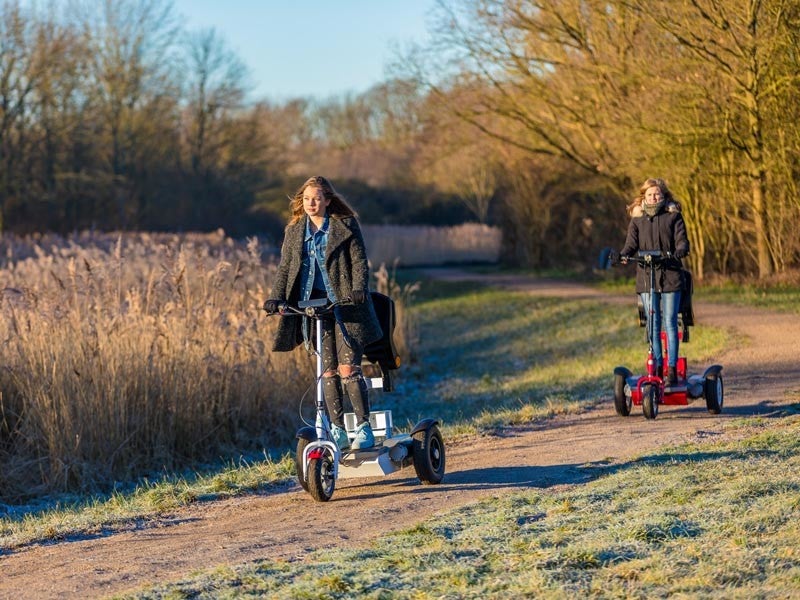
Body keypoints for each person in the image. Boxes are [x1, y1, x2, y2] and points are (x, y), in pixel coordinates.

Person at [263, 176, 382, 450]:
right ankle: (337, 429)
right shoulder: (295, 230)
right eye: (306, 199)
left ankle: (363, 427)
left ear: (328, 200)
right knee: (327, 372)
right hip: (312, 306)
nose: (311, 204)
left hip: (346, 304)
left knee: (348, 368)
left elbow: (359, 261)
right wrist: (277, 297)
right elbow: (285, 267)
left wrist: (359, 289)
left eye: (316, 199)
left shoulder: (345, 225)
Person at [619, 178, 689, 386]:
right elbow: (630, 245)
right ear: (644, 197)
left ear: (663, 195)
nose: (653, 197)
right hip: (646, 276)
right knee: (652, 323)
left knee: (669, 322)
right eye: (649, 194)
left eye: (657, 194)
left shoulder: (673, 217)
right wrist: (623, 255)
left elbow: (682, 241)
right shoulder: (637, 220)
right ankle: (656, 368)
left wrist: (679, 251)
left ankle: (672, 369)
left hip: (670, 275)